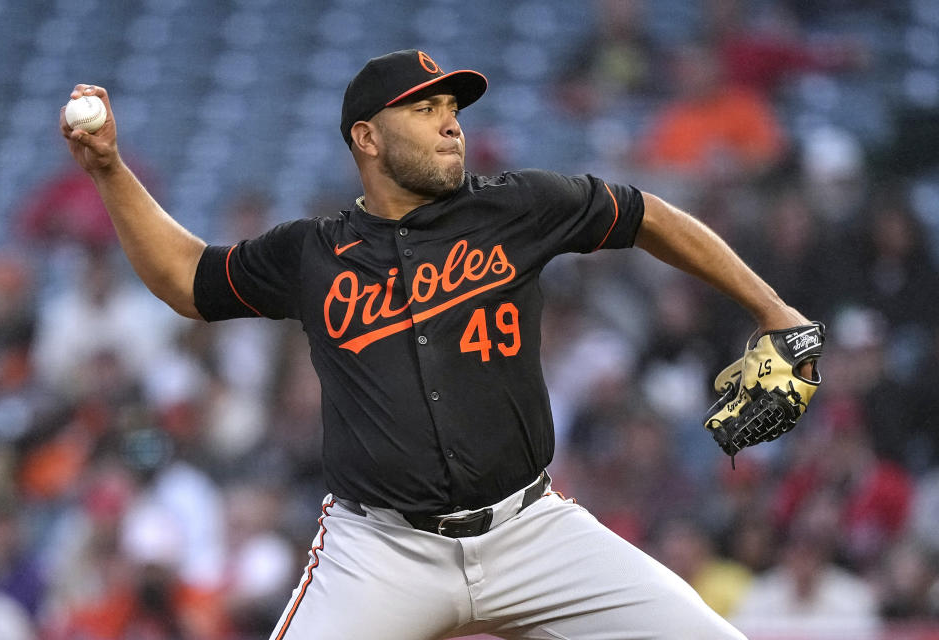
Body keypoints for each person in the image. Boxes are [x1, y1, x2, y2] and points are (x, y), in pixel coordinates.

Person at [60, 49, 816, 640]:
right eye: (424, 109)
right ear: (368, 138)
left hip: (531, 530)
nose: (450, 121)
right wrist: (109, 170)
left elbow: (643, 212)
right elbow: (187, 278)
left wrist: (774, 309)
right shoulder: (312, 255)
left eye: (451, 106)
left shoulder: (517, 208)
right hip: (382, 553)